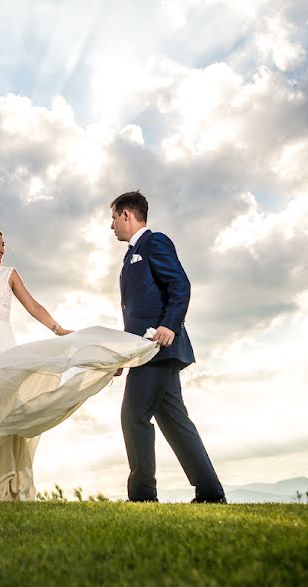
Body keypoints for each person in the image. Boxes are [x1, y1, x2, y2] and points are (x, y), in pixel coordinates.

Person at [0, 227, 160, 506]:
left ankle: (5, 487)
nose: (2, 249)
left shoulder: (9, 274)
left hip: (2, 351)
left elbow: (33, 305)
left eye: (4, 245)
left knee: (3, 416)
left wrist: (59, 329)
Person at [111, 190, 226, 503]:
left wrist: (169, 325)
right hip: (145, 352)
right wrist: (125, 354)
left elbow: (180, 284)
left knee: (133, 417)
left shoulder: (155, 242)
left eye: (113, 219)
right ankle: (211, 493)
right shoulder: (129, 256)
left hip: (158, 349)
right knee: (175, 423)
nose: (112, 227)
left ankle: (142, 496)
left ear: (126, 215)